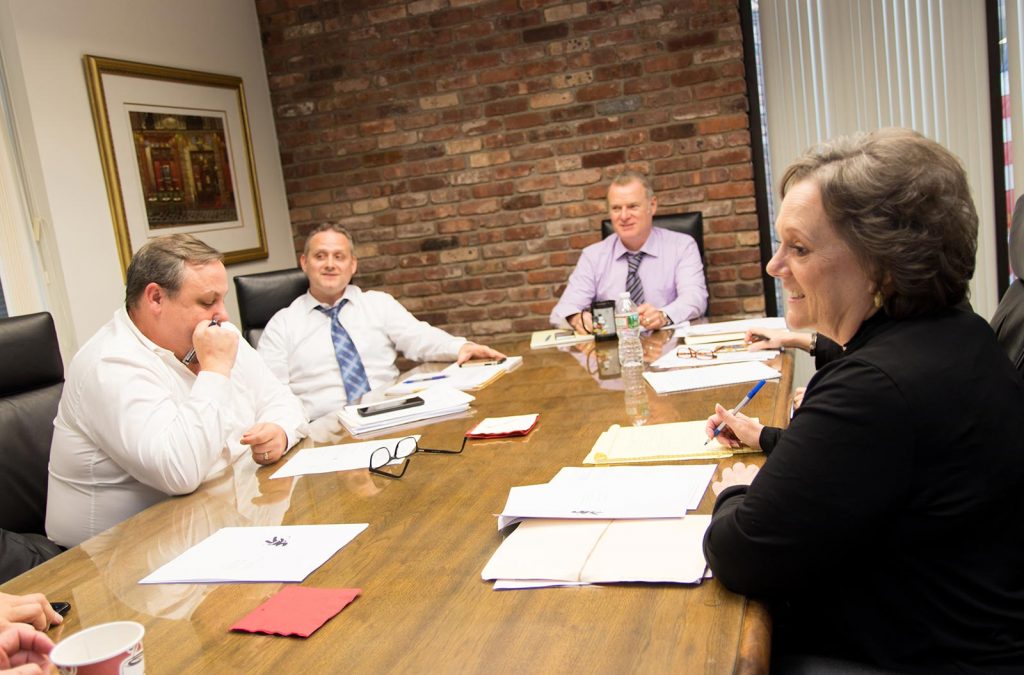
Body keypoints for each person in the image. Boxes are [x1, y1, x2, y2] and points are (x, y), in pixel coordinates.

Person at [702, 129, 1024, 672]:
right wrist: (773, 446)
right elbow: (867, 465)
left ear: (883, 265)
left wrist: (735, 492)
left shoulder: (874, 386)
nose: (775, 266)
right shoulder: (959, 332)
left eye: (799, 248)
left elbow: (741, 553)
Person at [46, 235, 307, 549]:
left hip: (215, 521)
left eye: (222, 300)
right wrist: (215, 370)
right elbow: (179, 473)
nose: (223, 315)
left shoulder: (214, 333)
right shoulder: (109, 364)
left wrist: (280, 431)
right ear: (156, 298)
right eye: (207, 302)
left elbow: (283, 399)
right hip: (114, 556)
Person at [259, 224, 505, 420]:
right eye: (320, 256)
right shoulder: (282, 325)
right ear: (304, 263)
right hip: (323, 429)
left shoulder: (378, 304)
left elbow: (418, 337)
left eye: (339, 256)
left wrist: (461, 347)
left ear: (353, 265)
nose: (330, 264)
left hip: (390, 415)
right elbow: (270, 393)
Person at [549, 170, 707, 333]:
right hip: (615, 347)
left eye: (632, 206)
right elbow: (561, 312)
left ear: (652, 206)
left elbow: (695, 299)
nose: (624, 216)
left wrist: (663, 315)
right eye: (616, 208)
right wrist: (576, 319)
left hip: (671, 344)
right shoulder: (593, 256)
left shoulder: (682, 246)